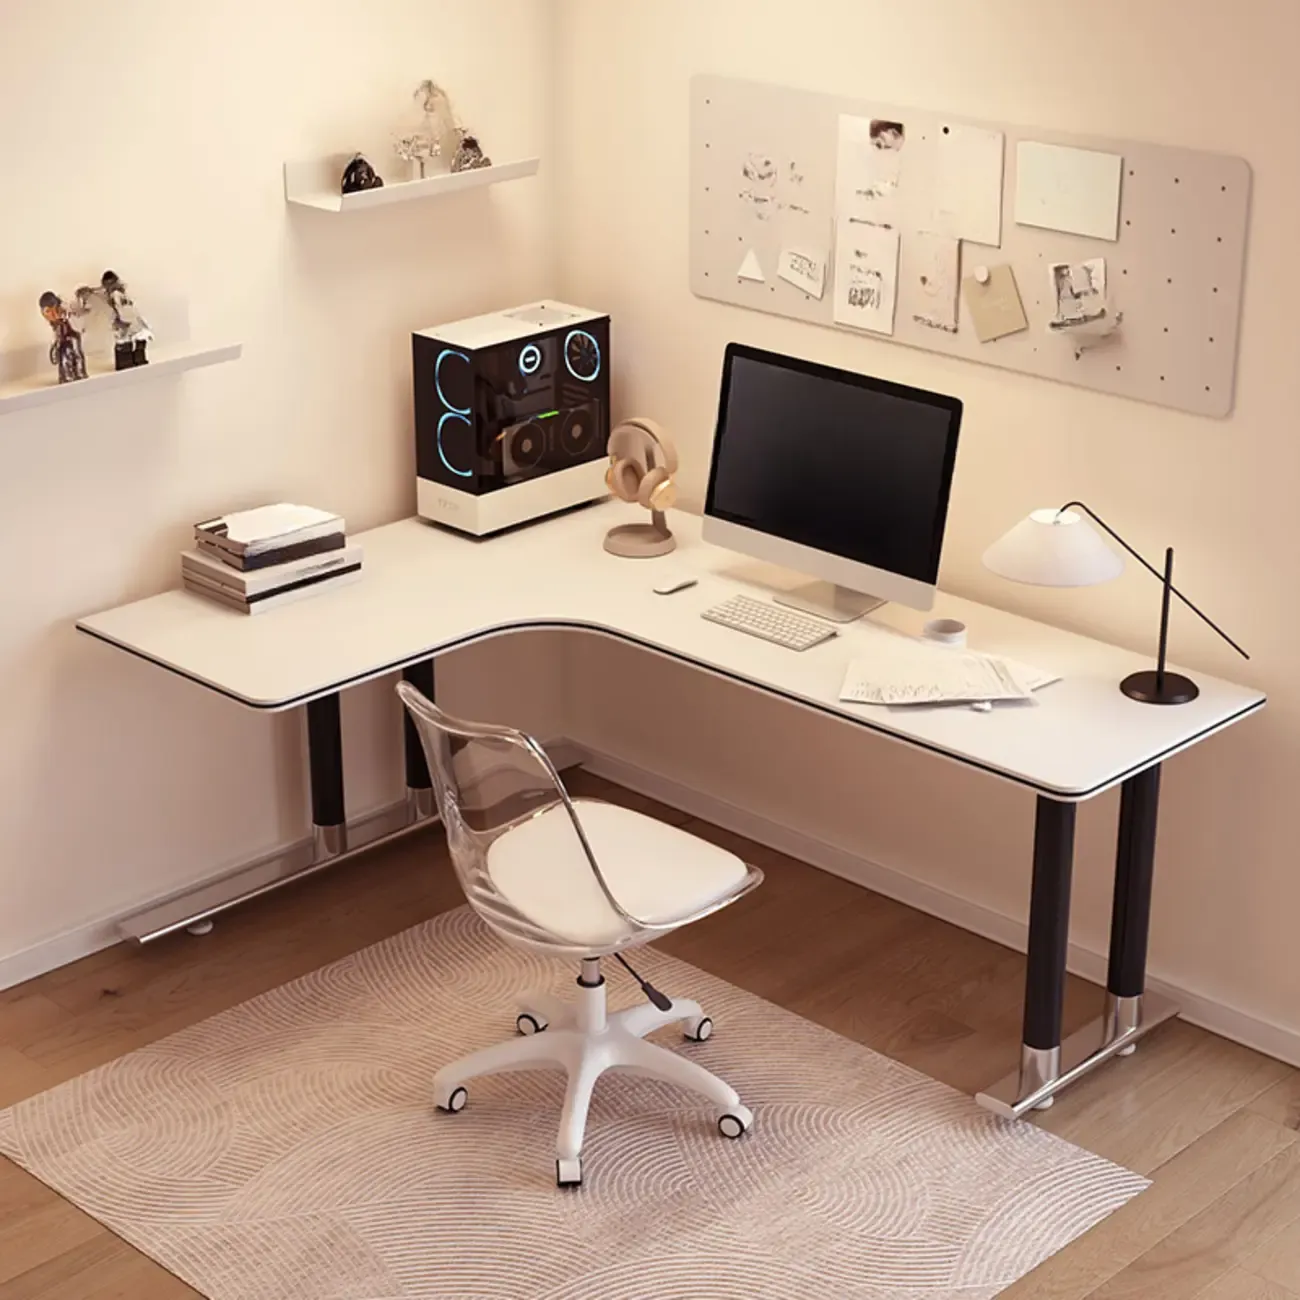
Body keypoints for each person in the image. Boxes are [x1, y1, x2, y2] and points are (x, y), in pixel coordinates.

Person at [100, 270, 151, 369]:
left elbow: (132, 309)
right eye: (107, 284)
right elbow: (112, 312)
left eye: (112, 283)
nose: (110, 286)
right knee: (124, 345)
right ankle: (127, 362)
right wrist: (117, 322)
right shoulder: (112, 297)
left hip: (133, 322)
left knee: (139, 341)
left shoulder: (122, 294)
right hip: (123, 324)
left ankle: (138, 359)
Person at [38, 291, 88, 383]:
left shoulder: (66, 311)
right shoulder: (55, 322)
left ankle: (79, 373)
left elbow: (78, 318)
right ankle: (66, 376)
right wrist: (55, 344)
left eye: (49, 311)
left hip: (72, 336)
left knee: (76, 355)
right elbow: (56, 333)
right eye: (46, 312)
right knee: (64, 358)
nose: (49, 315)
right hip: (63, 340)